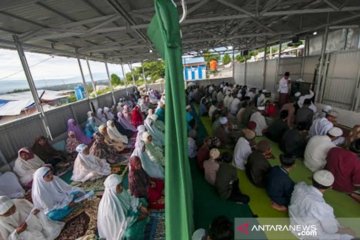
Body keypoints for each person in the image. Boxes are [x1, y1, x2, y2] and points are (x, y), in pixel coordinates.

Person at [289, 170, 355, 240]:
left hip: (294, 223)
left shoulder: (299, 186)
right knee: (348, 237)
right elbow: (331, 230)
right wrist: (345, 231)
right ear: (330, 187)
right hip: (309, 234)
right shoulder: (322, 207)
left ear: (312, 179)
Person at [97, 174, 149, 240]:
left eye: (121, 184)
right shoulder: (109, 208)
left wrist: (140, 206)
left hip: (126, 216)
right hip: (117, 230)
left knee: (142, 201)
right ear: (112, 188)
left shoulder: (118, 192)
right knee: (130, 234)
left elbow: (130, 199)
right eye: (118, 186)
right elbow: (121, 225)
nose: (121, 187)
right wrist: (138, 218)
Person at [0, 196, 64, 240]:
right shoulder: (1, 222)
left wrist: (34, 213)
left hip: (35, 225)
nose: (11, 213)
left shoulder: (19, 202)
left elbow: (34, 210)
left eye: (12, 209)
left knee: (41, 216)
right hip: (23, 235)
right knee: (25, 235)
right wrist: (17, 231)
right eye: (7, 213)